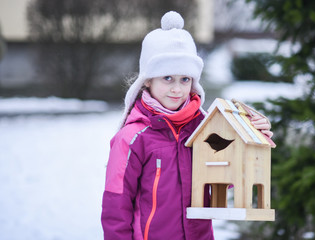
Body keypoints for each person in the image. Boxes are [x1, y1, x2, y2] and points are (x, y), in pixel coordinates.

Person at [101, 11, 273, 240]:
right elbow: (116, 206)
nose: (177, 89)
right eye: (167, 78)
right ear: (148, 80)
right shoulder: (133, 138)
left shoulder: (205, 130)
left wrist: (249, 136)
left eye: (185, 79)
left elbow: (223, 178)